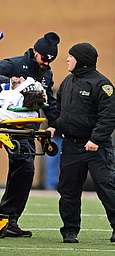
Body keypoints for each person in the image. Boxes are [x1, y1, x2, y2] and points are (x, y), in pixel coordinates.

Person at [0, 31, 60, 237]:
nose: (46, 64)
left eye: (51, 60)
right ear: (35, 51)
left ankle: (10, 219)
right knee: (23, 165)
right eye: (44, 59)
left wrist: (54, 123)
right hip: (10, 125)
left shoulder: (47, 74)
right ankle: (8, 219)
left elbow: (49, 102)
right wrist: (11, 82)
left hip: (28, 128)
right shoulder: (14, 64)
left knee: (26, 170)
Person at [46, 42, 115, 243]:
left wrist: (95, 139)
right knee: (68, 190)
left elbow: (109, 116)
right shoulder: (68, 82)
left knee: (107, 187)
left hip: (96, 147)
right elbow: (59, 111)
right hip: (72, 147)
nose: (67, 59)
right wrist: (54, 126)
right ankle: (69, 230)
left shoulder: (103, 85)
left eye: (71, 56)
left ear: (81, 60)